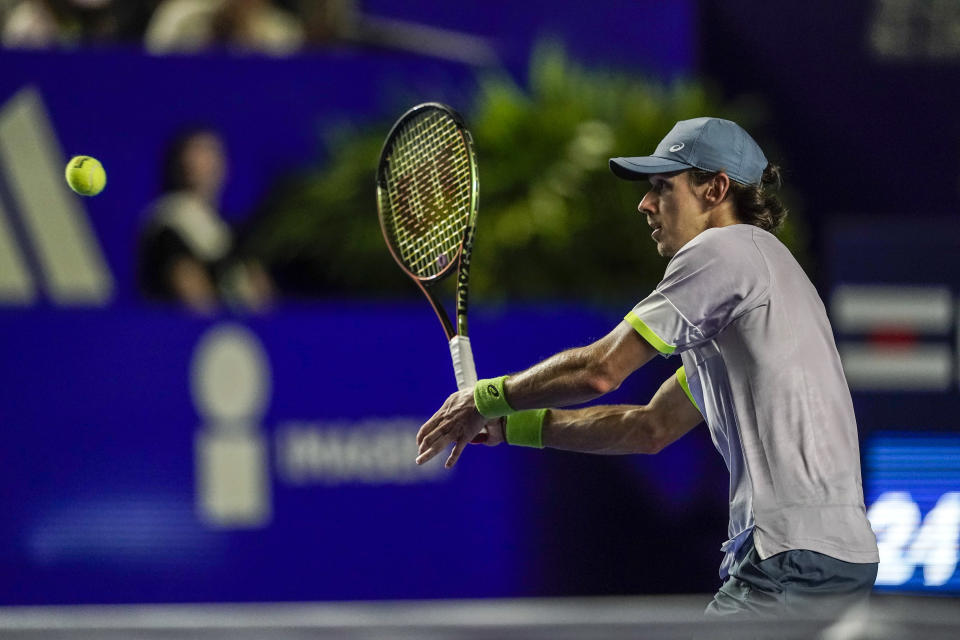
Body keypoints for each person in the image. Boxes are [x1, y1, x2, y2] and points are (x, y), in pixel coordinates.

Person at [415, 117, 880, 619]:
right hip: (839, 557)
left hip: (790, 559)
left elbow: (601, 370)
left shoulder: (721, 250)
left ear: (715, 188)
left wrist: (486, 397)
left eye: (663, 186)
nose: (645, 203)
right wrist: (510, 428)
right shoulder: (762, 273)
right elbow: (649, 427)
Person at [138, 127, 274, 313]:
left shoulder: (232, 229)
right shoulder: (167, 223)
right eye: (193, 153)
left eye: (209, 152)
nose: (199, 163)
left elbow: (263, 298)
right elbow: (194, 297)